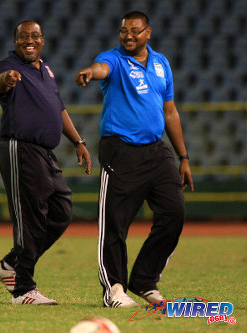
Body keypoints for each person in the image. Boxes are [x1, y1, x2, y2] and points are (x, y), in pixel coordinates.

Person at [75, 11, 194, 308]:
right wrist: (91, 72)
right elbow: (101, 67)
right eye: (124, 31)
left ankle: (143, 279)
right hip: (121, 149)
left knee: (174, 211)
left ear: (148, 33)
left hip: (157, 150)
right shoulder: (113, 59)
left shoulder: (160, 62)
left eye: (135, 31)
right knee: (115, 223)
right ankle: (114, 289)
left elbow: (170, 111)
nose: (128, 36)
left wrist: (183, 156)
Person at [0, 19, 92, 305]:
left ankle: (10, 264)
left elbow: (58, 109)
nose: (29, 40)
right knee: (31, 217)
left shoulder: (45, 70)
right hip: (19, 148)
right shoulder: (8, 66)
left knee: (61, 210)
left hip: (45, 152)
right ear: (15, 42)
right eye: (23, 37)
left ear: (43, 40)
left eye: (35, 36)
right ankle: (23, 290)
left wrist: (78, 141)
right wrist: (6, 79)